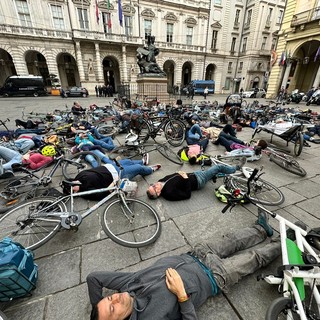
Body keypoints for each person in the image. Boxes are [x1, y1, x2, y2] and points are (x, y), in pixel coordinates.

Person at [87, 210, 279, 319]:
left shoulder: (127, 287)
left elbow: (93, 278)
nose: (115, 299)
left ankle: (262, 229)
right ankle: (285, 245)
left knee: (233, 239)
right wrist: (182, 296)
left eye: (109, 299)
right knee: (255, 258)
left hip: (196, 254)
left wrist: (98, 309)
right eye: (112, 308)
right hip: (213, 277)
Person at [146, 161, 245, 201]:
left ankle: (214, 176)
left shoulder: (160, 181)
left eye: (152, 184)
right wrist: (185, 178)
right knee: (218, 167)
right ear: (158, 193)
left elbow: (172, 178)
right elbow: (187, 195)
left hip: (194, 174)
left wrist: (177, 173)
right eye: (154, 187)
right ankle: (235, 168)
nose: (154, 184)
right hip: (198, 180)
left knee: (211, 171)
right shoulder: (169, 193)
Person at [65, 161, 161, 201]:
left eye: (73, 187)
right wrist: (113, 184)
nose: (76, 189)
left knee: (129, 161)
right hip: (117, 175)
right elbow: (102, 195)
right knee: (138, 168)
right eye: (74, 191)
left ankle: (143, 161)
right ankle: (151, 169)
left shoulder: (78, 177)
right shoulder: (85, 192)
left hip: (110, 166)